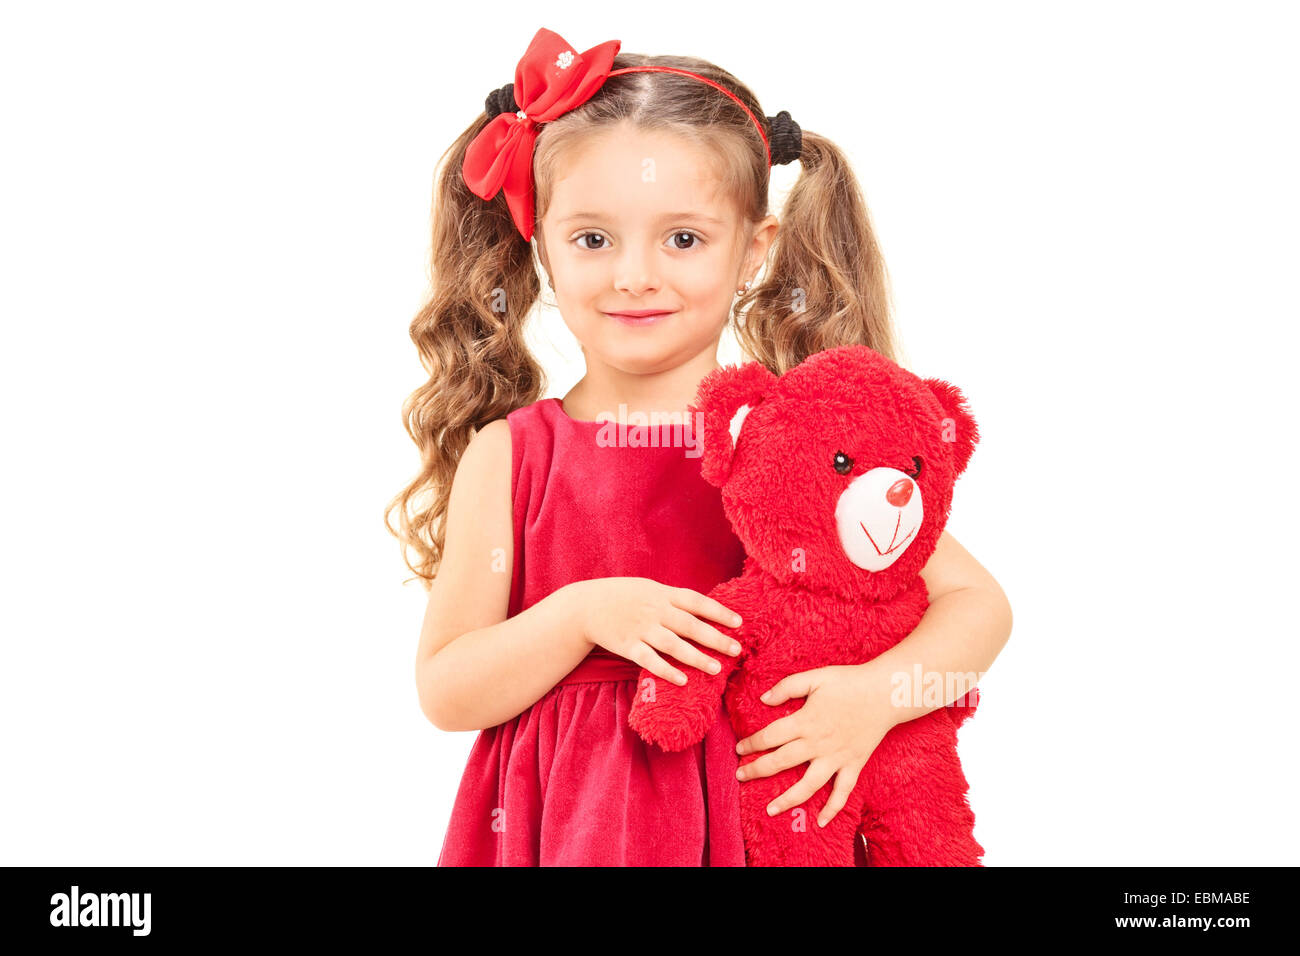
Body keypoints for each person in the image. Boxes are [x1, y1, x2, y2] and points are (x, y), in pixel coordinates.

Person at [388, 27, 1013, 865]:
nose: (634, 274)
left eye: (683, 239)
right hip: (578, 829)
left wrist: (873, 699)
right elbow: (447, 687)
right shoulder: (513, 453)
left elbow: (978, 607)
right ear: (541, 246)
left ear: (753, 250)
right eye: (592, 238)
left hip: (767, 809)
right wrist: (581, 616)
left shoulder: (793, 435)